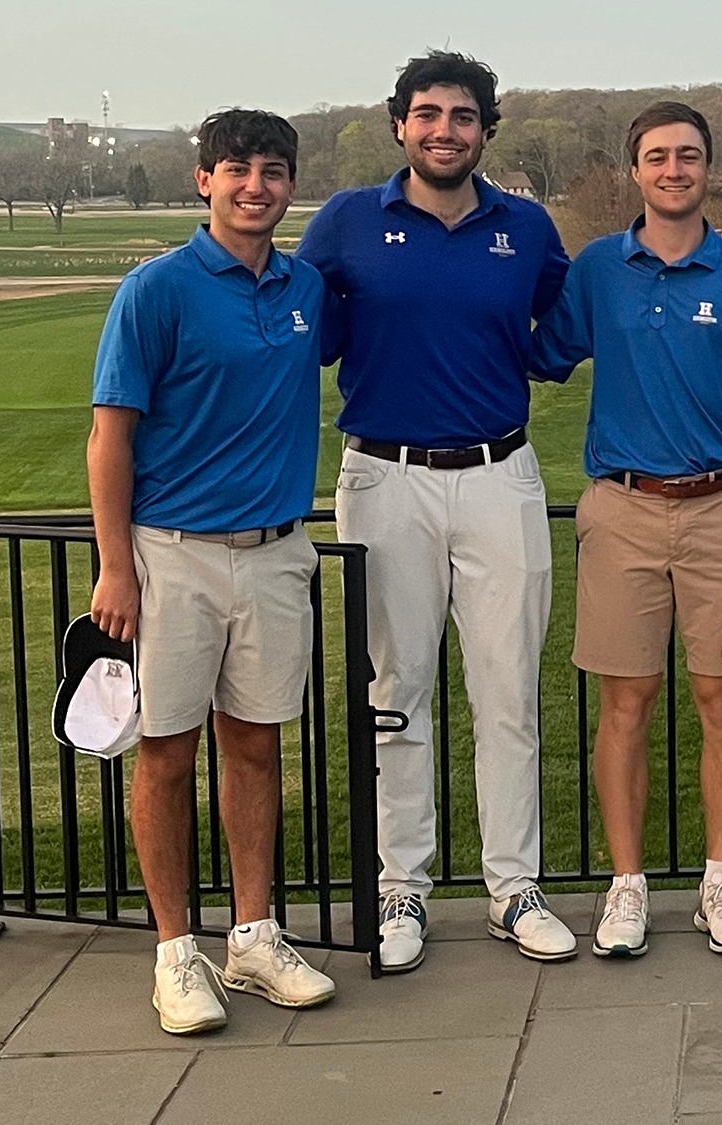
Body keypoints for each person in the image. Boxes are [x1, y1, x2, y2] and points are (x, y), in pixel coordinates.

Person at [296, 52, 575, 969]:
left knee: (508, 692)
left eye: (461, 116)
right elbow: (296, 324)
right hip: (386, 479)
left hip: (501, 474)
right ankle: (401, 889)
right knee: (397, 692)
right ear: (400, 126)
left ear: (485, 130)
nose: (443, 130)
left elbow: (566, 319)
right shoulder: (346, 222)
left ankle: (513, 887)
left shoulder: (525, 227)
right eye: (427, 114)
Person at [530, 102, 722, 958]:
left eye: (688, 155)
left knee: (721, 697)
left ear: (707, 168)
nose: (673, 169)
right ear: (635, 171)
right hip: (621, 507)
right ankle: (627, 887)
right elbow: (541, 352)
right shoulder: (598, 269)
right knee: (626, 701)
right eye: (657, 156)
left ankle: (719, 883)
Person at [87, 109, 336, 1034]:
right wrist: (116, 565)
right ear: (205, 180)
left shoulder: (307, 285)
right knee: (166, 751)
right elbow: (110, 437)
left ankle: (254, 937)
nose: (255, 186)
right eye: (237, 169)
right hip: (172, 553)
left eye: (273, 170)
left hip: (274, 550)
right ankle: (174, 953)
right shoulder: (156, 290)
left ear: (291, 185)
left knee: (257, 746)